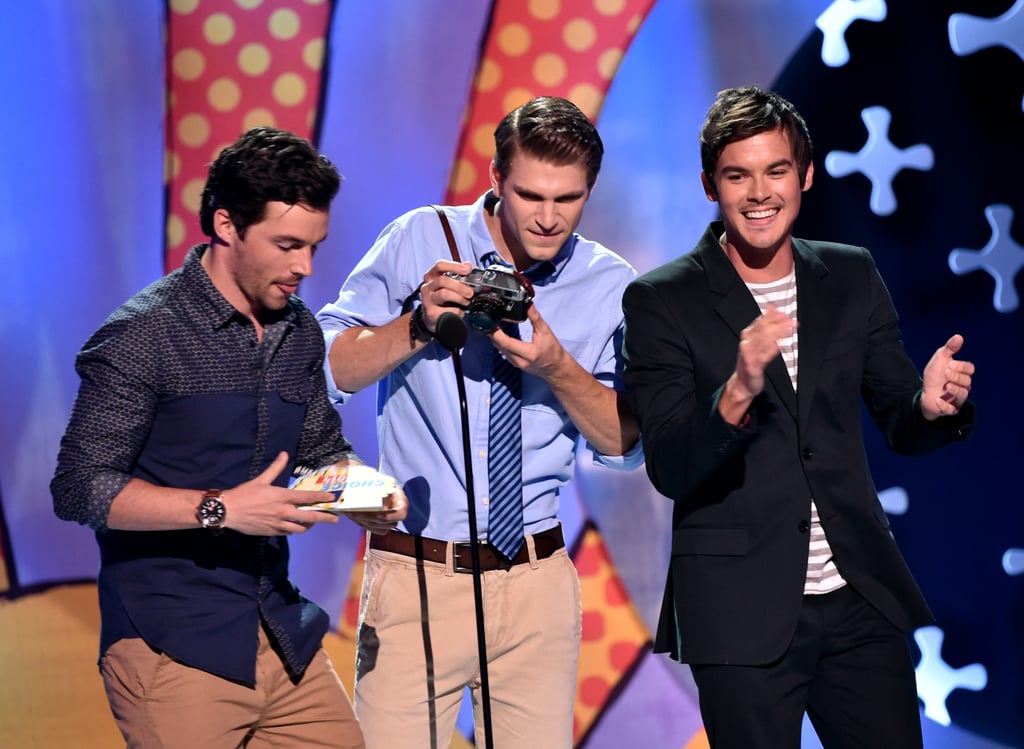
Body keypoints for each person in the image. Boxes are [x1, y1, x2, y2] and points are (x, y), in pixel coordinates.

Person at [621, 85, 977, 748]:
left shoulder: (849, 274)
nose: (760, 192)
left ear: (806, 175)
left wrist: (929, 406)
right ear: (709, 185)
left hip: (859, 597)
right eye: (738, 175)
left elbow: (899, 417)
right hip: (738, 609)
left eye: (776, 170)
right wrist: (737, 388)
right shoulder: (660, 299)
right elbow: (670, 463)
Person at [51, 126, 407, 749]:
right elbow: (80, 487)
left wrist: (368, 496)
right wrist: (221, 509)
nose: (305, 267)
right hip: (173, 643)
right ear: (225, 225)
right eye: (287, 245)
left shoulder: (297, 330)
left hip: (280, 633)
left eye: (314, 247)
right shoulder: (144, 336)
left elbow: (322, 450)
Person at [316, 96, 643, 747]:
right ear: (495, 179)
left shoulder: (611, 284)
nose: (548, 218)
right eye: (530, 195)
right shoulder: (420, 238)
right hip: (417, 575)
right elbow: (325, 369)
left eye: (568, 199)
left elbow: (624, 445)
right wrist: (414, 323)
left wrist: (556, 366)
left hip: (537, 582)